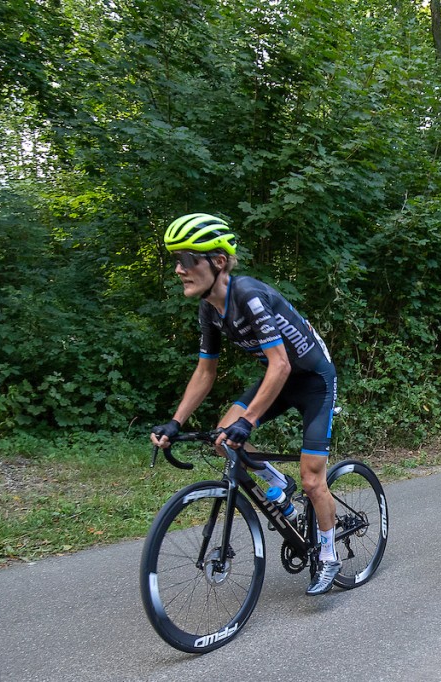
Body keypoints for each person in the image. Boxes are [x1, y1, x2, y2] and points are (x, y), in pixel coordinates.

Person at [148, 213, 341, 596]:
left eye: (186, 260)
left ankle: (330, 556)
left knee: (313, 478)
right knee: (224, 436)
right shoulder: (209, 308)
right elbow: (206, 372)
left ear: (218, 261)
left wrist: (249, 420)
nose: (178, 269)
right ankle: (277, 485)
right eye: (176, 260)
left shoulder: (247, 294)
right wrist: (175, 421)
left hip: (313, 381)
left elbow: (282, 362)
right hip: (278, 379)